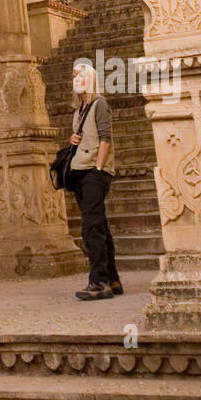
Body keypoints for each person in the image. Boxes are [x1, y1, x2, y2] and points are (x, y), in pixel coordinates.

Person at [68, 58, 122, 301]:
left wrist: (99, 167)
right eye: (74, 77)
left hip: (94, 171)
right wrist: (75, 141)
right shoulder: (79, 109)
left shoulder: (100, 103)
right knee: (98, 224)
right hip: (81, 169)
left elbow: (105, 138)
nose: (77, 80)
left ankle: (99, 281)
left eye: (81, 76)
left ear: (90, 80)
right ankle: (112, 278)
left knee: (91, 226)